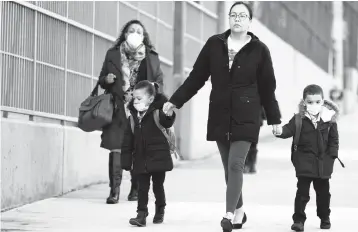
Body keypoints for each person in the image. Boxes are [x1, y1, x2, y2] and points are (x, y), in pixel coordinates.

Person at [163, 2, 281, 231]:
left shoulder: (260, 50)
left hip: (247, 115)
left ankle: (227, 214)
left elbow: (268, 87)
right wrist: (174, 101)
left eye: (243, 15)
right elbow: (196, 78)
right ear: (228, 18)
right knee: (229, 168)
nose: (238, 19)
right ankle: (239, 211)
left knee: (236, 164)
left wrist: (275, 119)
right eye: (234, 15)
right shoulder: (214, 44)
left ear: (250, 21)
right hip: (219, 113)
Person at [98, 19, 164, 204]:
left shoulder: (151, 57)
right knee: (116, 148)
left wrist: (154, 87)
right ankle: (114, 191)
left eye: (139, 31)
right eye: (131, 31)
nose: (135, 34)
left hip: (140, 110)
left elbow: (159, 81)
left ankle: (135, 189)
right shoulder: (112, 54)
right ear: (124, 34)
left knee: (137, 149)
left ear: (144, 37)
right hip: (117, 108)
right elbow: (101, 79)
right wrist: (107, 79)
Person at [274, 84, 340, 232]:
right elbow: (288, 130)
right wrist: (279, 131)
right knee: (302, 193)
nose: (314, 105)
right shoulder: (299, 119)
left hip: (323, 163)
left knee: (323, 194)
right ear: (304, 102)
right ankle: (298, 220)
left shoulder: (329, 119)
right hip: (304, 162)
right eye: (310, 102)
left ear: (323, 101)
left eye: (317, 102)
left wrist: (333, 155)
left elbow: (334, 139)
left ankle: (324, 217)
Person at [121, 80, 176, 227]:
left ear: (151, 99)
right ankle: (141, 214)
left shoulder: (157, 113)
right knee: (142, 187)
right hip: (140, 157)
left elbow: (168, 121)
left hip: (158, 157)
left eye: (139, 98)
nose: (136, 101)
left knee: (158, 185)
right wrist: (126, 160)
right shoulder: (132, 117)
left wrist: (169, 113)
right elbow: (127, 140)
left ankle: (160, 209)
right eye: (134, 98)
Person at [244, 107, 266, 174]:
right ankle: (251, 164)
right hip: (255, 120)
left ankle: (247, 164)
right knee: (253, 144)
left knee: (245, 143)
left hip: (243, 120)